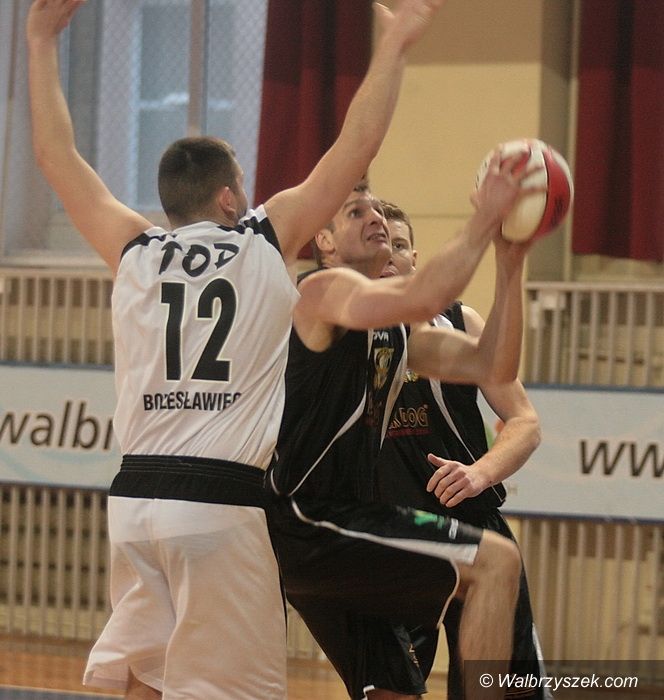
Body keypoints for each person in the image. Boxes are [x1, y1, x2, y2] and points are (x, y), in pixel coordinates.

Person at [26, 0, 447, 697]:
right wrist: (396, 43)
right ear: (228, 199)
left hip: (133, 502)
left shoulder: (134, 248)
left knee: (143, 679)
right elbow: (356, 148)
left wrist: (41, 40)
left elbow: (54, 157)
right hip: (220, 503)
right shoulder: (261, 239)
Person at [266, 160, 543, 700]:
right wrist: (485, 218)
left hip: (354, 525)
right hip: (307, 518)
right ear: (324, 240)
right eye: (356, 211)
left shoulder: (397, 330)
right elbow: (422, 297)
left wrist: (510, 264)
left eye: (377, 209)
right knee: (497, 562)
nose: (374, 218)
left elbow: (493, 365)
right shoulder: (322, 291)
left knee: (395, 691)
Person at [376, 202, 551, 699]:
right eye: (382, 243)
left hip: (473, 525)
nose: (390, 255)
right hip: (391, 534)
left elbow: (525, 422)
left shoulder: (457, 321)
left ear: (416, 259)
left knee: (502, 689)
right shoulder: (339, 333)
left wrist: (480, 473)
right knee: (392, 688)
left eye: (401, 245)